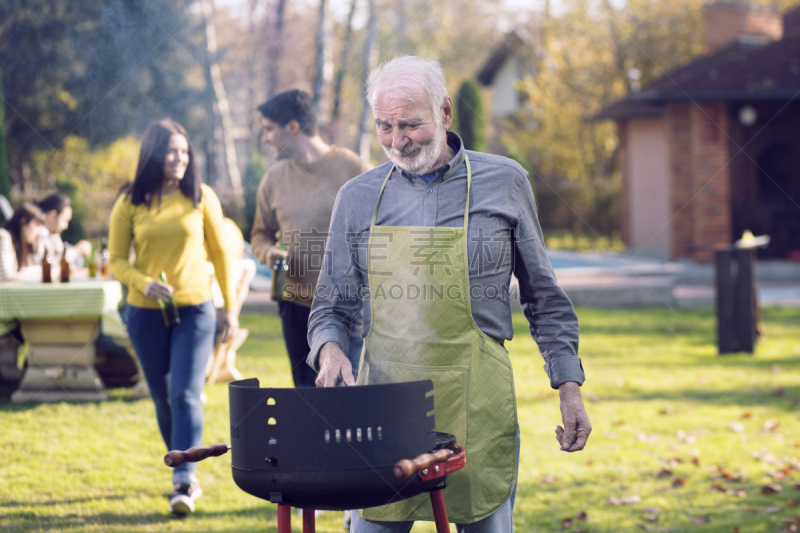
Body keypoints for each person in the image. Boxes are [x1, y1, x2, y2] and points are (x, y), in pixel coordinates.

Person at [308, 56, 591, 532]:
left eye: (411, 125)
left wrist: (569, 386)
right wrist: (331, 350)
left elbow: (544, 298)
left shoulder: (505, 182)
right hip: (382, 414)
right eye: (385, 126)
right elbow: (330, 305)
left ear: (444, 113)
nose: (397, 141)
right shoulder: (357, 198)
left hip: (477, 411)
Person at [109, 119, 238, 516]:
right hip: (144, 314)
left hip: (196, 310)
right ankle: (183, 467)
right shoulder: (130, 200)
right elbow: (114, 260)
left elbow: (220, 255)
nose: (180, 159)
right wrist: (143, 282)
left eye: (185, 152)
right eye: (172, 152)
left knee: (184, 393)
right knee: (163, 398)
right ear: (153, 155)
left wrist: (229, 307)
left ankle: (183, 481)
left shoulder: (201, 197)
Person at [251, 89, 371, 388]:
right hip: (295, 306)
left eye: (268, 130)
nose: (265, 138)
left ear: (292, 128)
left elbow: (380, 228)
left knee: (345, 394)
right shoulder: (274, 178)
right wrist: (267, 252)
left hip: (347, 308)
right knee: (306, 396)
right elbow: (259, 233)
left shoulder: (353, 168)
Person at [32, 193, 92, 265]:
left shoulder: (53, 234)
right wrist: (76, 250)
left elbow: (61, 254)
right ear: (52, 216)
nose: (66, 226)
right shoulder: (35, 235)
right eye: (65, 220)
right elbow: (49, 265)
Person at [0, 202, 46, 281]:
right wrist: (30, 274)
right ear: (23, 221)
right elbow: (6, 278)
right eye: (36, 225)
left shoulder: (22, 243)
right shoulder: (4, 237)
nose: (38, 232)